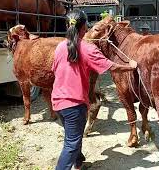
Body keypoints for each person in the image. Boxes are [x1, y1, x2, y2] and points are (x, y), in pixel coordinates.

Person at [51, 9, 138, 170]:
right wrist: (130, 66)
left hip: (57, 101)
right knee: (71, 144)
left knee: (72, 137)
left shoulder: (60, 47)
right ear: (84, 27)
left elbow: (55, 70)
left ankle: (79, 163)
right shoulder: (87, 48)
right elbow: (111, 67)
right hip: (74, 105)